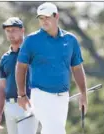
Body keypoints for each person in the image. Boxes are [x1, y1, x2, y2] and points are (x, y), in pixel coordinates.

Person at [15, 2, 88, 134]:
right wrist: (21, 94)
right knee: (57, 131)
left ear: (56, 16)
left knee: (51, 130)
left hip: (62, 97)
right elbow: (21, 67)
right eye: (41, 18)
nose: (44, 21)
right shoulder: (31, 40)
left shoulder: (71, 40)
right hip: (41, 95)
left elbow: (77, 68)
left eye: (47, 17)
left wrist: (83, 94)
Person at [0, 17, 38, 134]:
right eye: (7, 31)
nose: (10, 33)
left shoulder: (32, 53)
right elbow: (2, 87)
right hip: (10, 107)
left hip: (28, 105)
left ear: (22, 30)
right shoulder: (5, 58)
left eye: (13, 30)